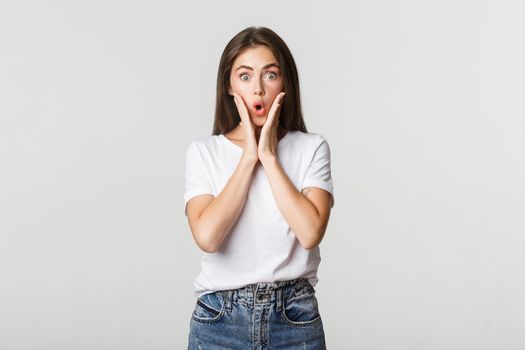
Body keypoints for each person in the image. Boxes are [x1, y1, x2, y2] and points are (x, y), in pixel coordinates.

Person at [184, 26, 334, 349]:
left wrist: (268, 156)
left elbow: (310, 232)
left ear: (285, 83)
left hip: (294, 318)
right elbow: (207, 237)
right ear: (229, 84)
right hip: (219, 321)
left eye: (269, 75)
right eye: (245, 76)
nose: (258, 91)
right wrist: (248, 157)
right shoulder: (203, 153)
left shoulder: (312, 148)